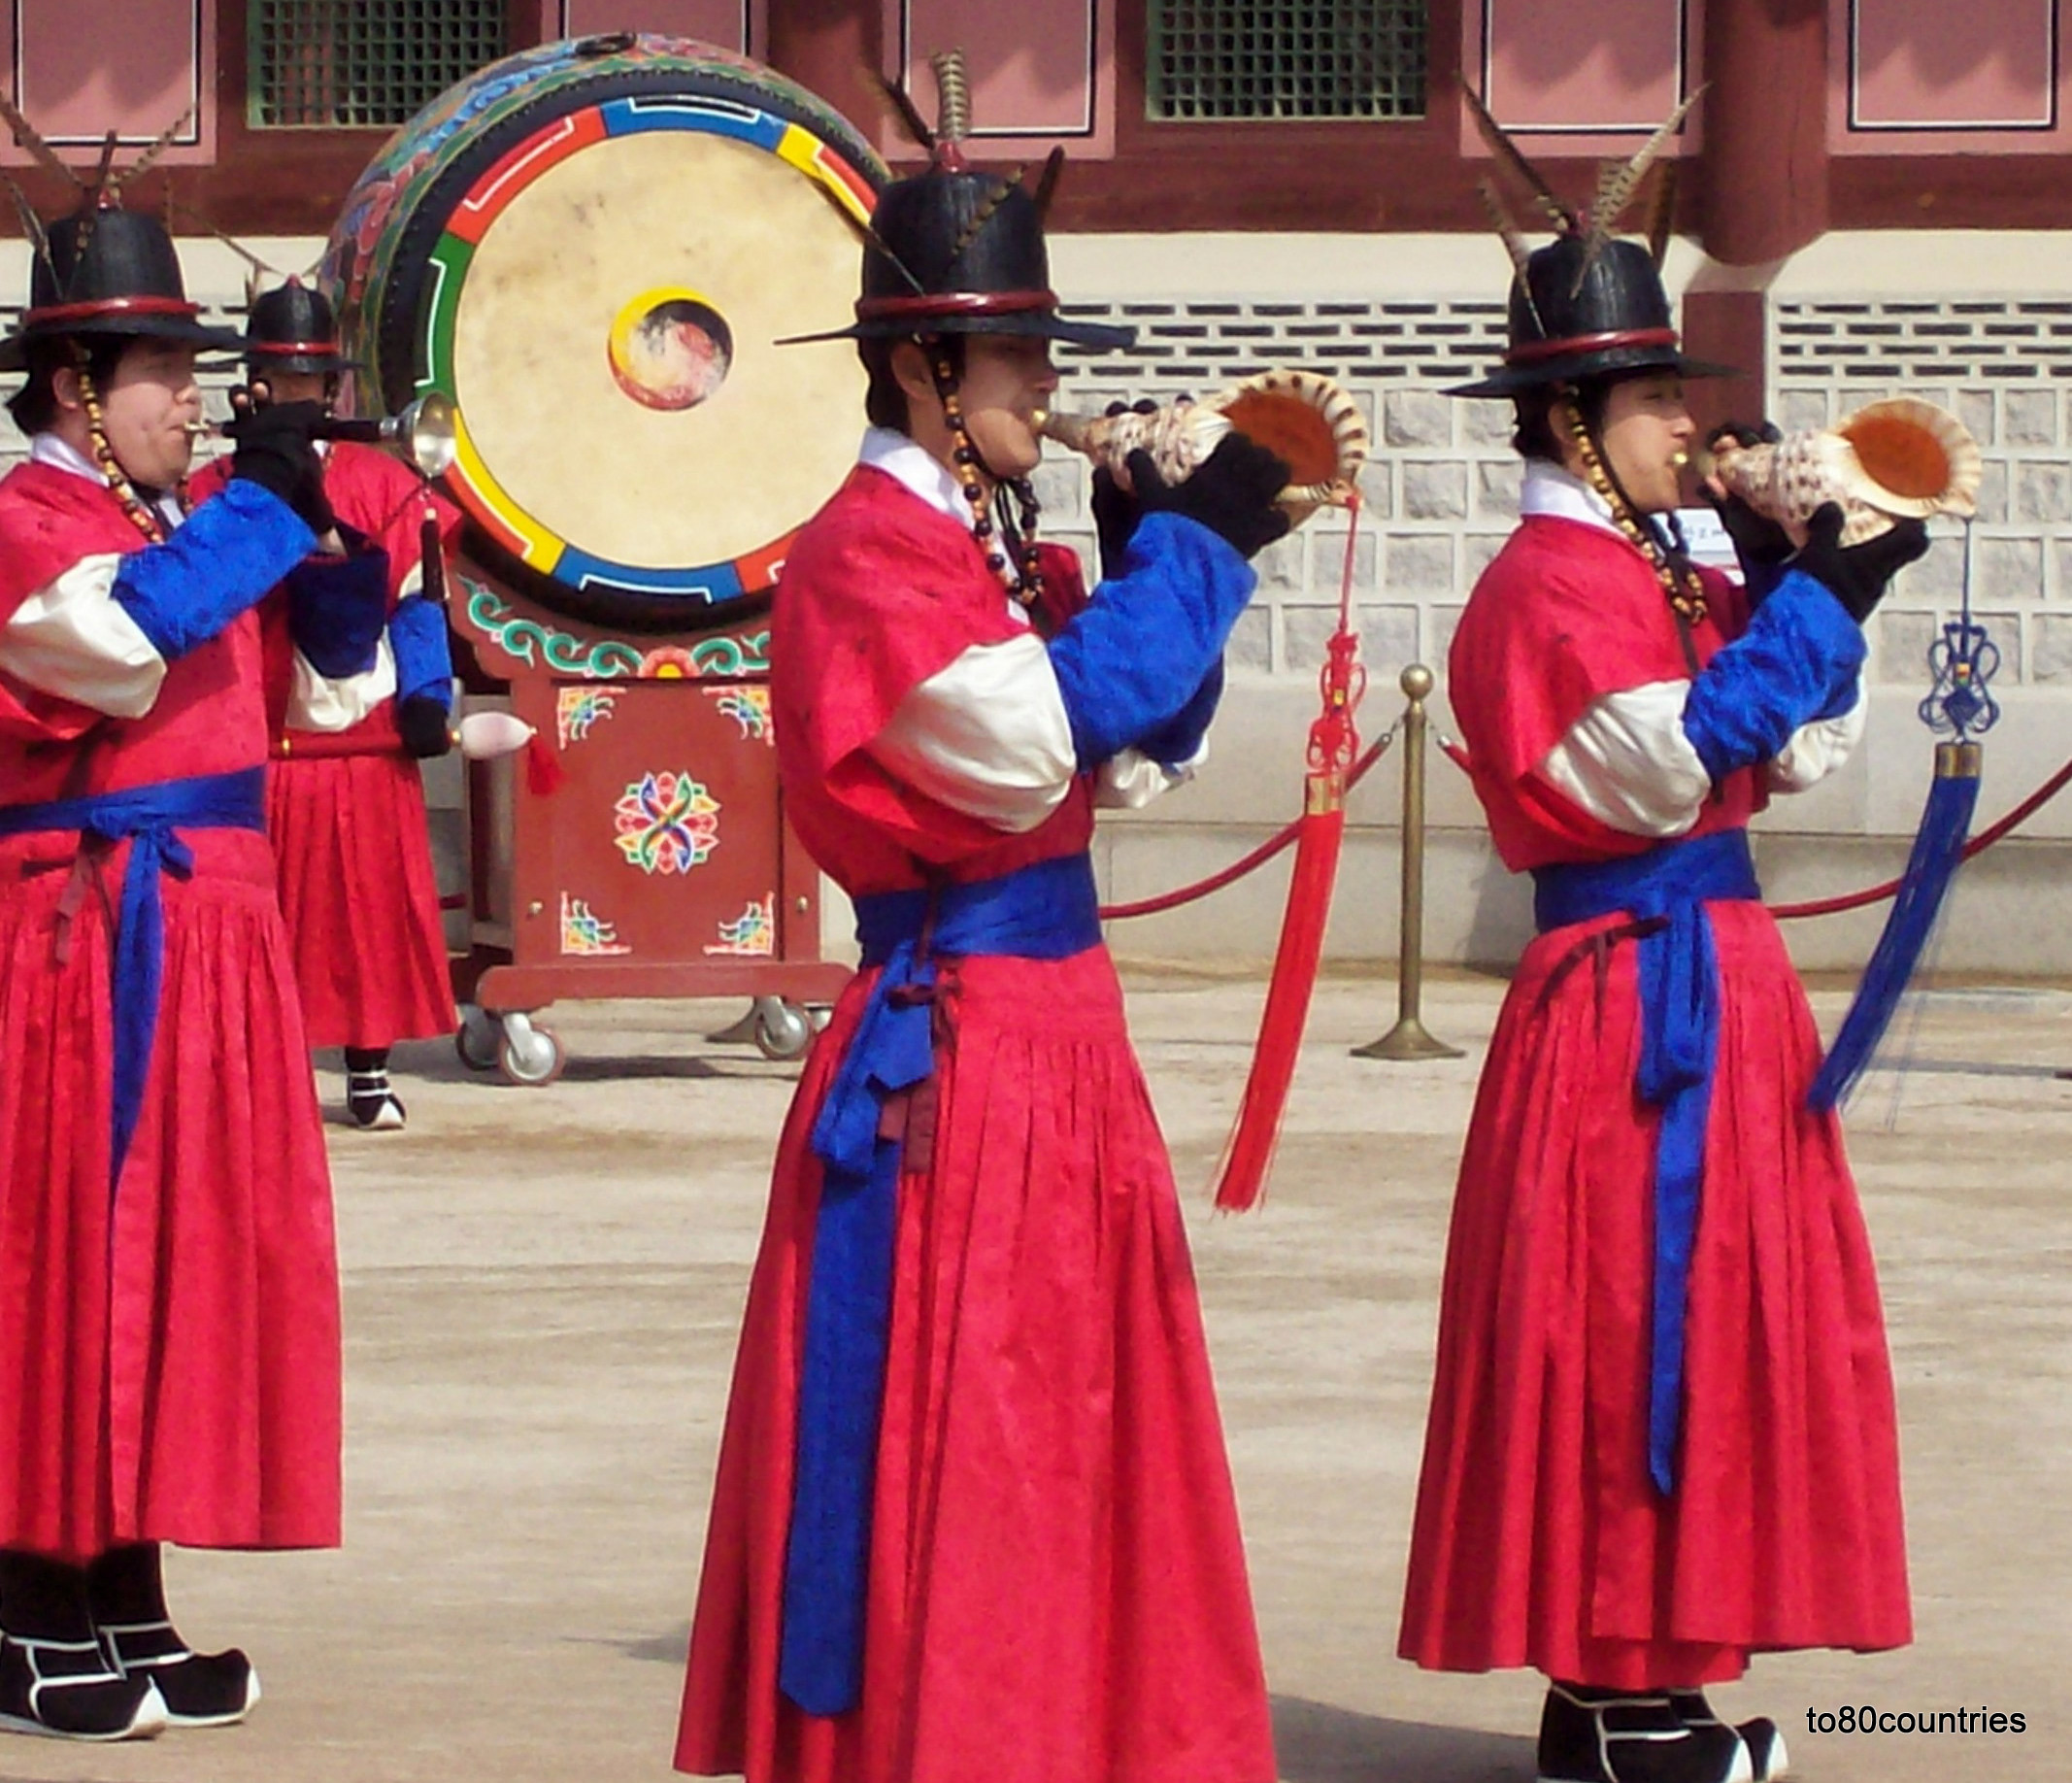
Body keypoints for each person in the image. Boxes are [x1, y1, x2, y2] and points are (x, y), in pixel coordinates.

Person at [675, 58, 1288, 1783]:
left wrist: (1145, 535)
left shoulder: (977, 541)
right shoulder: (866, 554)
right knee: (980, 1428)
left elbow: (1142, 736)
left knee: (1066, 1425)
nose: (1043, 383)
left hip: (1052, 1038)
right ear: (919, 365)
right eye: (1014, 354)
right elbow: (1026, 743)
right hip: (955, 1059)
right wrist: (1200, 554)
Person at [1394, 189, 1926, 1781]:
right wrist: (1823, 589)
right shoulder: (1544, 590)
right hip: (1626, 1001)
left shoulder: (1649, 571)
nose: (1675, 429)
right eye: (1645, 401)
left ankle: (1610, 1698)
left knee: (1692, 1325)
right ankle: (1628, 1698)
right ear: (1568, 419)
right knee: (1630, 1329)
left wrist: (1790, 579)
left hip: (1706, 979)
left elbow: (1789, 748)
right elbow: (1674, 760)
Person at [0, 196, 347, 1739]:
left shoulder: (177, 513)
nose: (193, 397)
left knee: (179, 1261)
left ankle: (123, 1586)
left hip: (207, 927)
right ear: (81, 387)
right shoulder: (30, 519)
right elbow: (127, 639)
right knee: (70, 1255)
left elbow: (341, 681)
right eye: (164, 370)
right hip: (90, 932)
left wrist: (350, 518)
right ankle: (23, 1601)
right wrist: (267, 501)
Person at [188, 280, 460, 1130]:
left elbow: (420, 600)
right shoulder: (213, 488)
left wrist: (428, 692)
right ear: (252, 387)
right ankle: (262, 1075)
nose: (299, 397)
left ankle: (370, 1071)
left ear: (333, 387)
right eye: (282, 381)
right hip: (262, 741)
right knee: (264, 923)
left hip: (366, 747)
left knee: (367, 923)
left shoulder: (386, 481)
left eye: (312, 383)